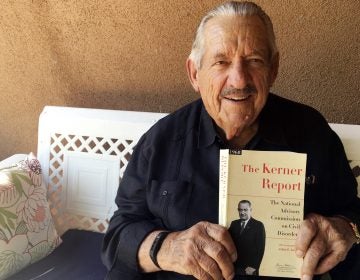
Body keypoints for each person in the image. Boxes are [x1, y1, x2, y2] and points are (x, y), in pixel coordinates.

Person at [102, 1, 360, 280]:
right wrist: (166, 248)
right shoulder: (161, 141)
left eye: (254, 61)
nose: (238, 80)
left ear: (273, 70)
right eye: (221, 61)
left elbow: (351, 212)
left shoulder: (312, 133)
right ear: (194, 73)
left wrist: (345, 229)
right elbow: (119, 234)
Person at [228, 200, 265, 276]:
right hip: (233, 267)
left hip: (249, 269)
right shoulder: (234, 223)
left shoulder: (258, 225)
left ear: (250, 210)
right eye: (240, 210)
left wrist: (254, 267)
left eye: (245, 210)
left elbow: (260, 248)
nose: (242, 212)